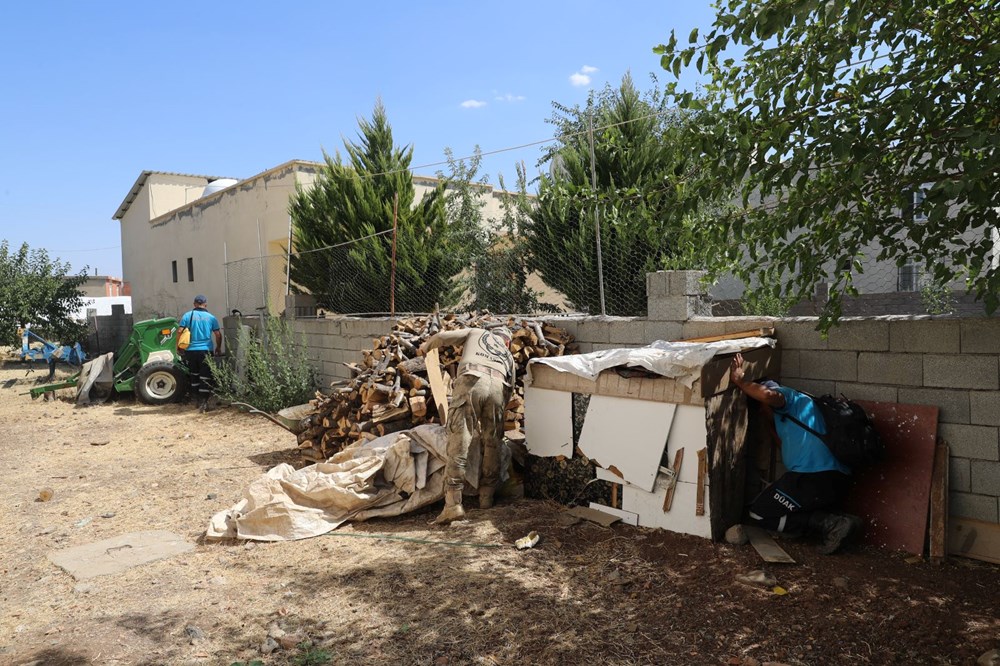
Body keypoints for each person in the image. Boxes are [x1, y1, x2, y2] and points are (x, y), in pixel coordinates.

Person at [729, 353, 861, 554]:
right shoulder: (802, 410)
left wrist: (741, 381)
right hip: (834, 480)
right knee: (781, 502)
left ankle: (831, 523)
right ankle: (837, 520)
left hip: (813, 478)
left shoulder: (787, 396)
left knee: (759, 514)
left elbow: (768, 396)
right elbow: (784, 445)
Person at [419, 326, 515, 525]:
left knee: (460, 438)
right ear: (507, 342)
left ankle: (453, 505)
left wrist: (425, 347)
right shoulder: (508, 356)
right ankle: (486, 497)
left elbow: (443, 337)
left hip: (472, 379)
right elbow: (510, 390)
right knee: (492, 441)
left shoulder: (477, 332)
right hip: (499, 386)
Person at [177, 294, 222, 412]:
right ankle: (204, 403)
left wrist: (179, 346)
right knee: (205, 377)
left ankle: (196, 400)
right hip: (205, 350)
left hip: (191, 351)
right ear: (205, 304)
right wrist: (218, 347)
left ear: (194, 304)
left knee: (194, 375)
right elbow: (218, 334)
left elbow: (179, 331)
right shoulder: (211, 317)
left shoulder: (188, 315)